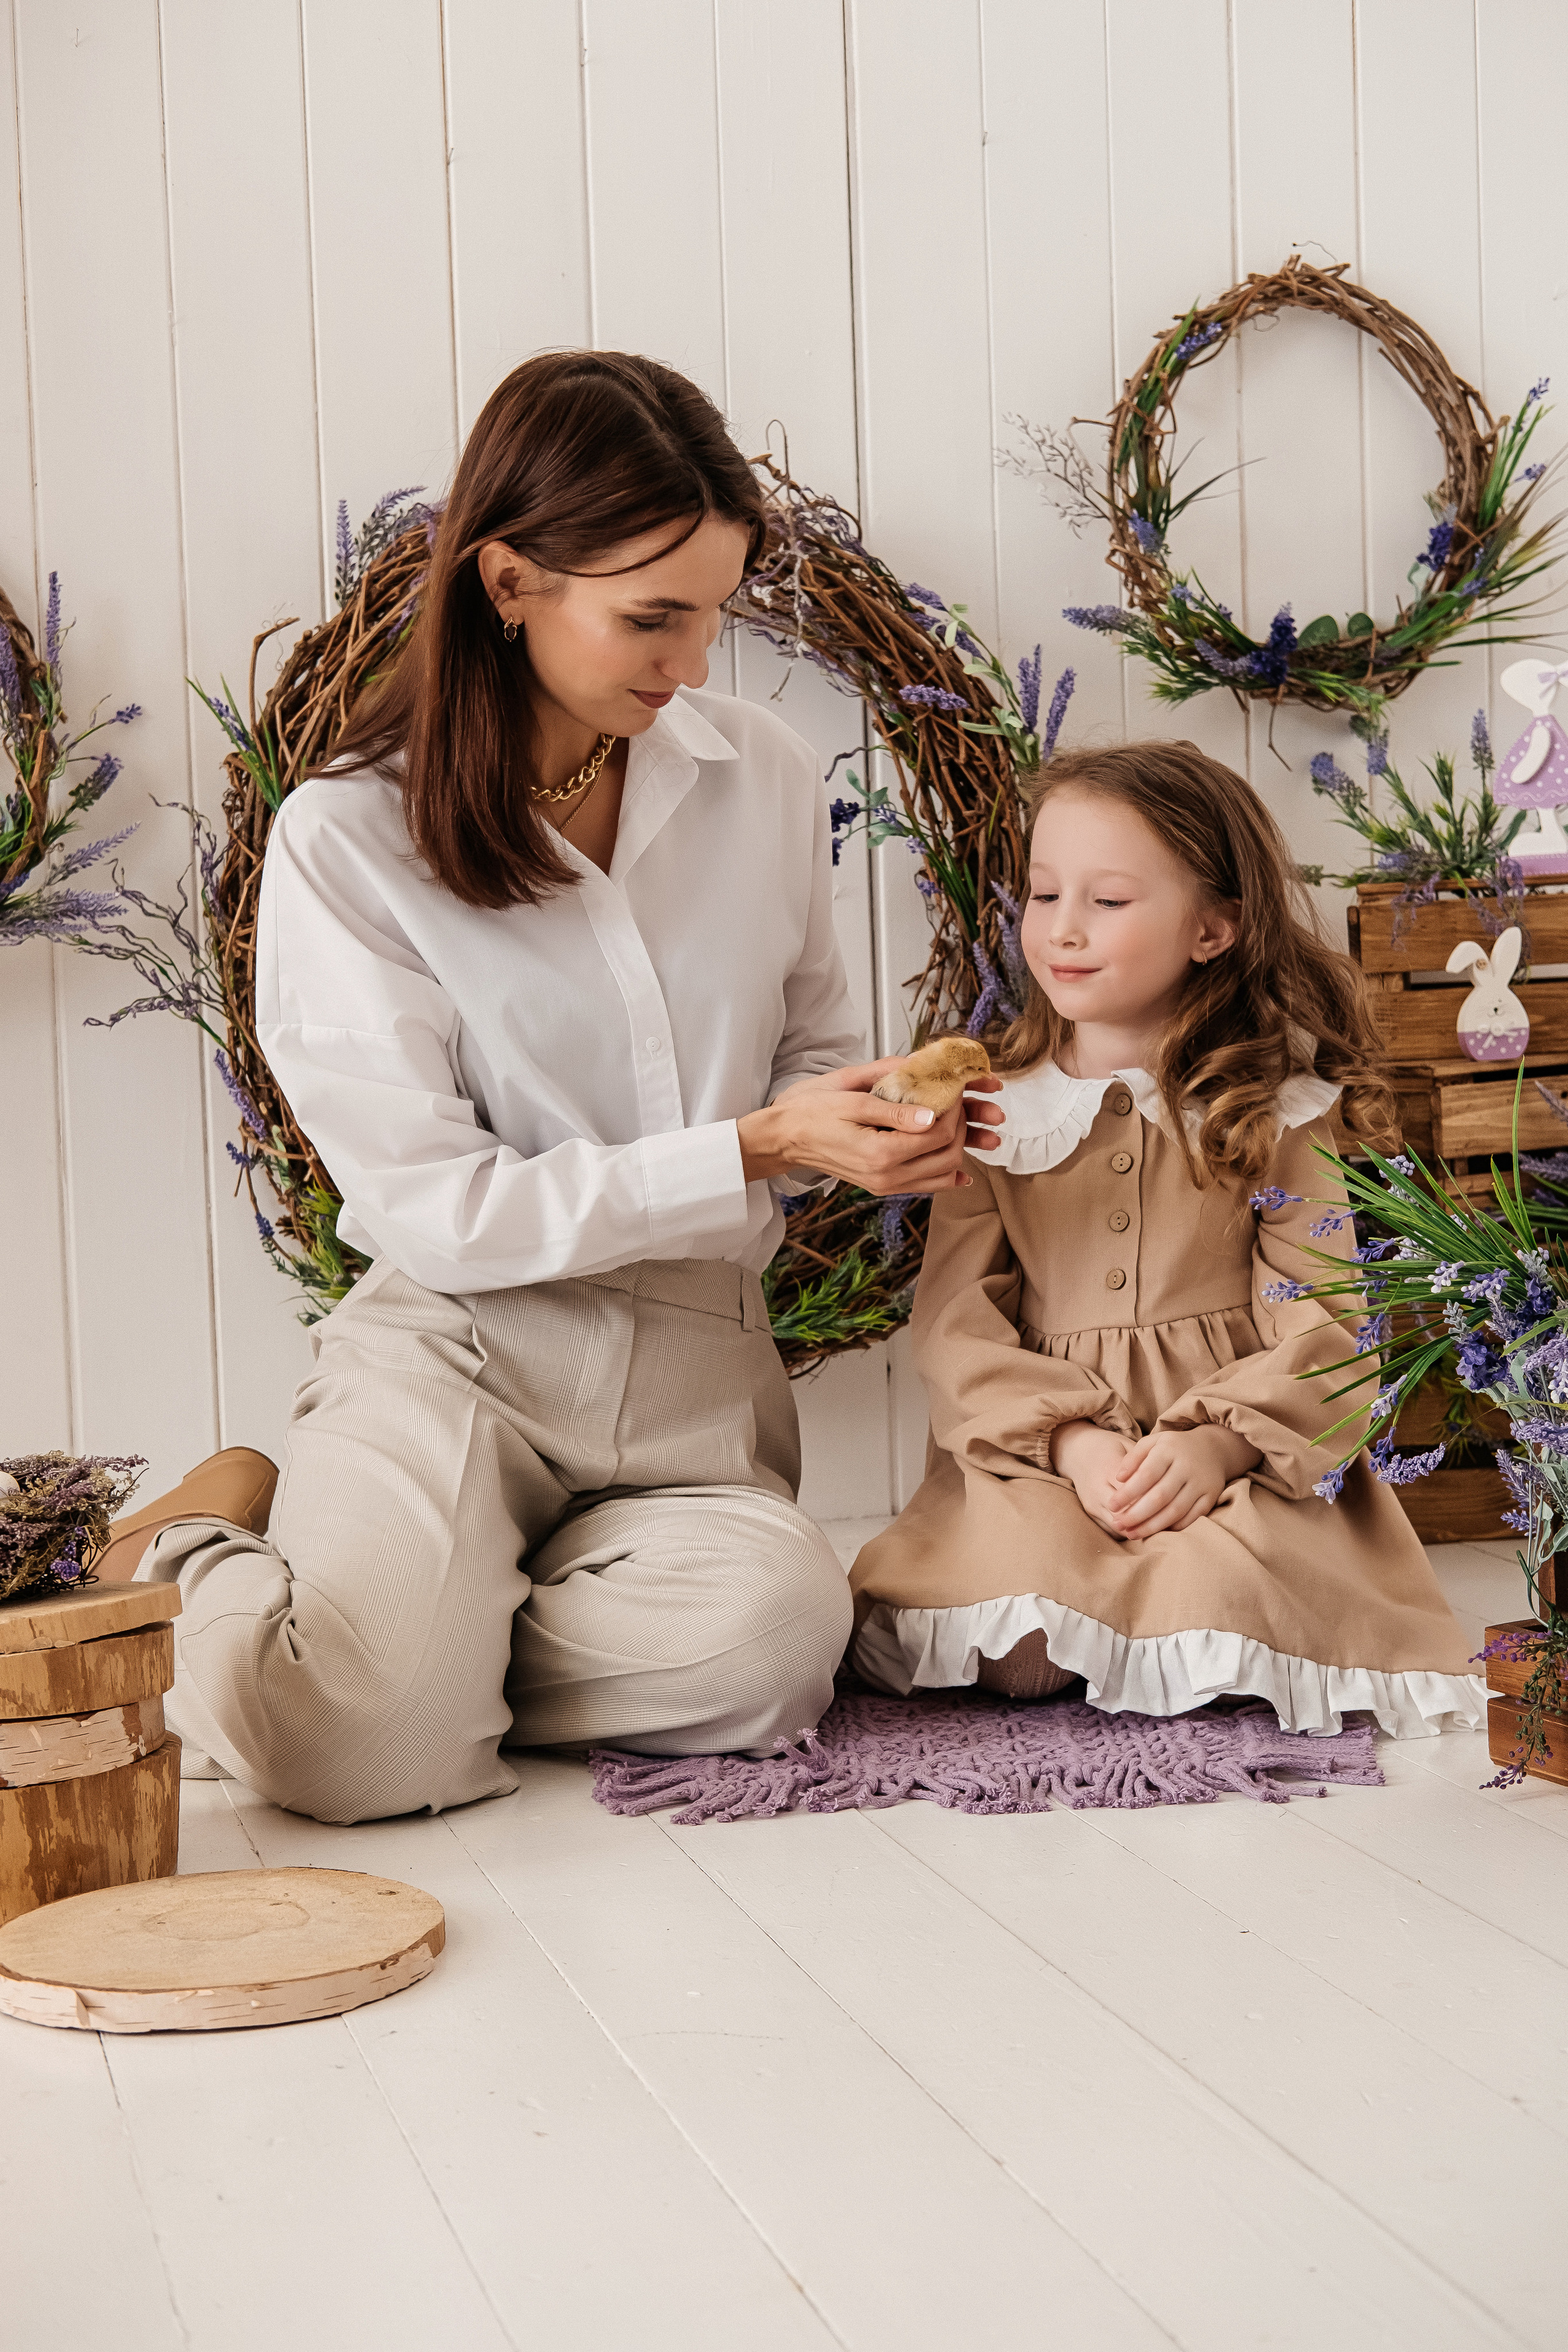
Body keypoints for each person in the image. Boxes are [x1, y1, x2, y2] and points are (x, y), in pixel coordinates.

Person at [113, 350, 1001, 1823]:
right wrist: (757, 1142)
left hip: (695, 1362)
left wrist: (856, 1127)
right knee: (350, 1765)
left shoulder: (761, 774)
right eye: (651, 616)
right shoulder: (347, 840)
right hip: (456, 1349)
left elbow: (801, 1041)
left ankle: (409, 1644)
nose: (691, 660)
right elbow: (436, 1212)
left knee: (775, 1650)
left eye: (714, 612)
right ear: (508, 581)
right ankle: (195, 1553)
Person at [850, 741, 1485, 1737]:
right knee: (1018, 1647)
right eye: (1043, 895)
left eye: (1106, 903)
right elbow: (956, 1320)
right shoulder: (991, 1107)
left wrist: (1221, 1447)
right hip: (1045, 1449)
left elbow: (1327, 1312)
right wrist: (1071, 1438)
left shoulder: (1278, 1103)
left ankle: (1183, 1597)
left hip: (1234, 1443)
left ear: (1213, 927)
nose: (1061, 931)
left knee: (1219, 1601)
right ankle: (1099, 1593)